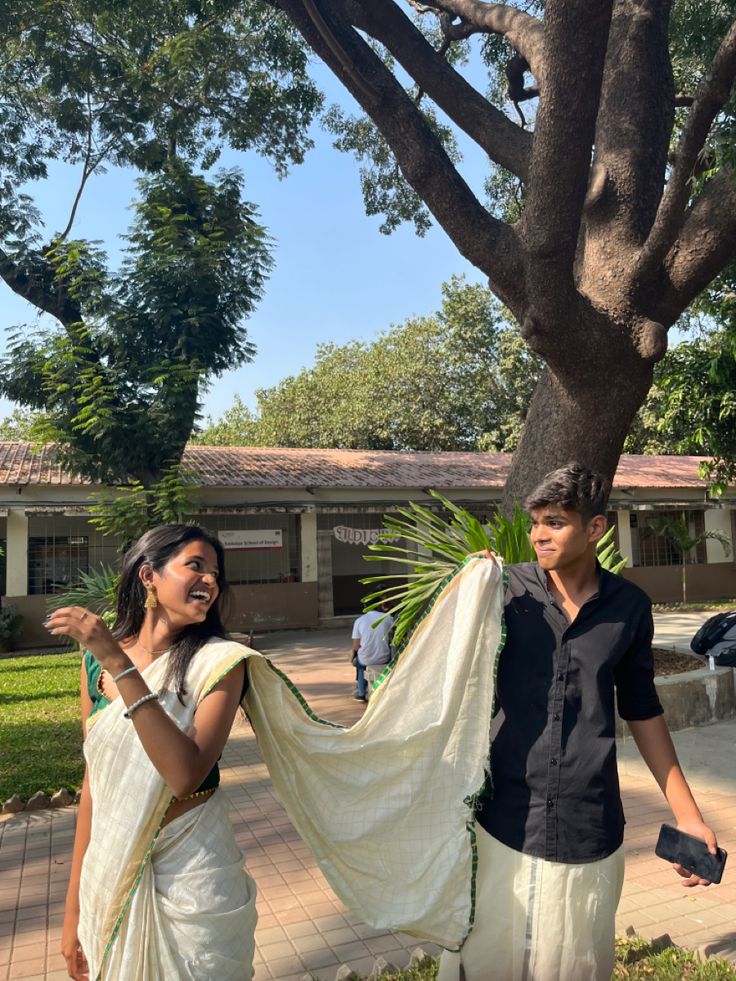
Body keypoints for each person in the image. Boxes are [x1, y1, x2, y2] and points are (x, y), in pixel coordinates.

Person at [438, 463, 720, 981]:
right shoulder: (505, 593)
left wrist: (688, 815)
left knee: (573, 963)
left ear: (595, 528)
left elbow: (642, 708)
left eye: (555, 522)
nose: (539, 535)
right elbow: (445, 673)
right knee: (484, 960)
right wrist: (462, 595)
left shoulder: (628, 607)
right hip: (502, 817)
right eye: (535, 523)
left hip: (587, 822)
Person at [52, 525, 255, 980]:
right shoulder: (94, 665)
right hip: (112, 869)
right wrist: (73, 913)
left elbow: (184, 774)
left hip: (195, 875)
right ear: (149, 576)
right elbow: (94, 788)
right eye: (195, 567)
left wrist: (118, 664)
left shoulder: (222, 663)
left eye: (216, 574)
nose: (210, 581)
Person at [351, 603, 394, 701]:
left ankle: (361, 693)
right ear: (380, 606)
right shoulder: (387, 618)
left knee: (359, 664)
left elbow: (355, 646)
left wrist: (354, 656)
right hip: (384, 657)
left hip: (366, 659)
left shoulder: (359, 621)